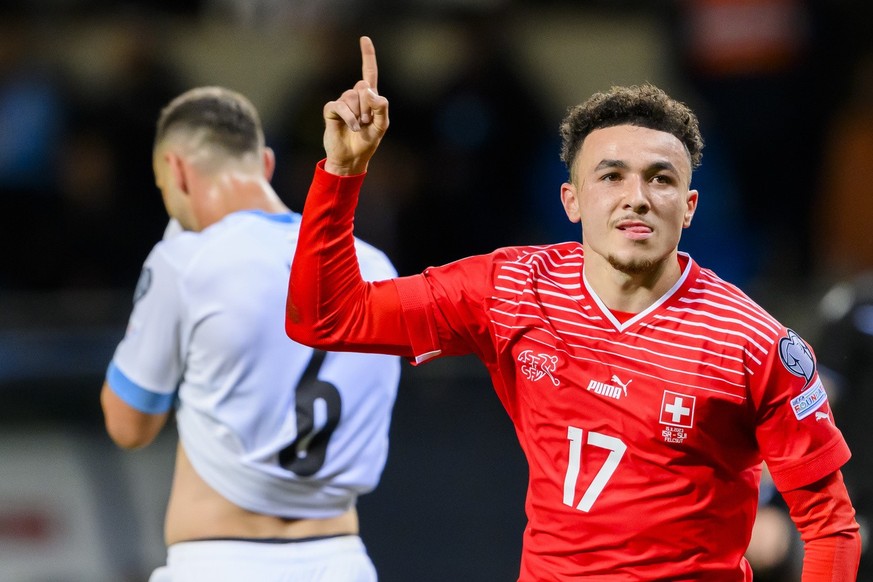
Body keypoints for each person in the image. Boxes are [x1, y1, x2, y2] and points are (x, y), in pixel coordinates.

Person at [285, 37, 862, 580]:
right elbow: (326, 317)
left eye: (660, 179)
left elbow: (830, 526)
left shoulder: (750, 341)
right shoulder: (510, 288)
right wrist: (343, 172)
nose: (637, 196)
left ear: (688, 208)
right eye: (611, 176)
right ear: (572, 199)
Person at [100, 86, 401, 582]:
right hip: (340, 560)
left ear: (175, 171)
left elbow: (128, 427)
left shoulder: (186, 261)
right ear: (264, 164)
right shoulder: (373, 263)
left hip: (220, 561)